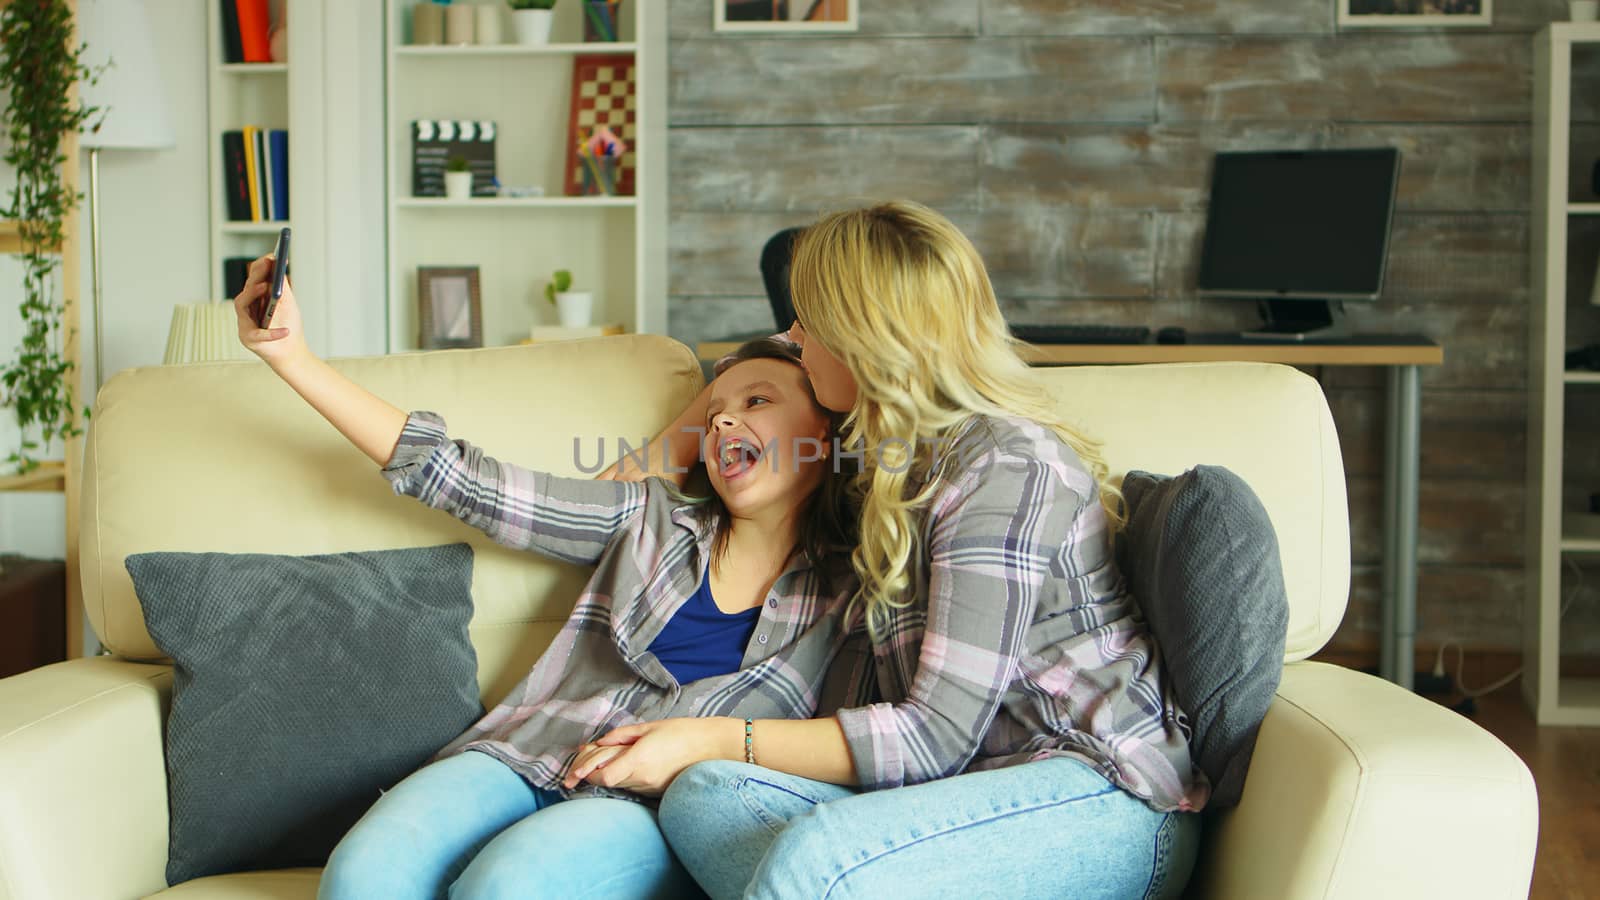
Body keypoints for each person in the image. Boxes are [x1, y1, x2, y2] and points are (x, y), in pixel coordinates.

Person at [596, 200, 1208, 900]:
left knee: (811, 856)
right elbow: (762, 359)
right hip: (958, 795)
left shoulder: (1007, 467)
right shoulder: (881, 447)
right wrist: (677, 439)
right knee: (705, 798)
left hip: (1096, 793)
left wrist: (706, 735)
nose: (793, 337)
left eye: (809, 321)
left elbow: (933, 737)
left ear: (864, 341)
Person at [229, 257, 859, 900]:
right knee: (361, 878)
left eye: (757, 402)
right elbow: (466, 482)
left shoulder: (859, 589)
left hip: (647, 809)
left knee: (505, 888)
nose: (722, 421)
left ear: (827, 430)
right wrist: (292, 358)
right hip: (524, 750)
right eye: (712, 414)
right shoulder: (645, 515)